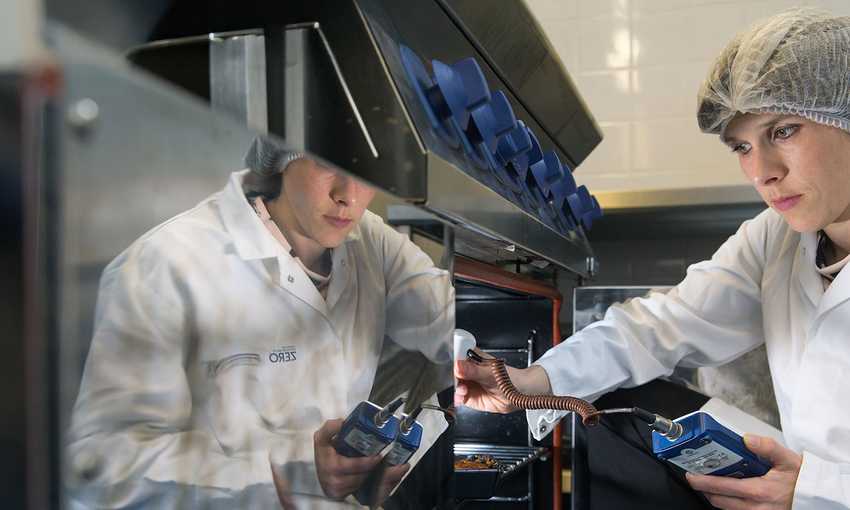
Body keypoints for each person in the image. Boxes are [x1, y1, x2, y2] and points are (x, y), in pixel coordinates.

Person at [455, 8, 850, 510]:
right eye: (742, 146)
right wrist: (529, 384)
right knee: (626, 409)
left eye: (783, 131)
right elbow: (659, 327)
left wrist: (819, 491)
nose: (762, 172)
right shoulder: (776, 239)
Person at [66, 137, 454, 509]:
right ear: (282, 155)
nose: (347, 195)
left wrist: (502, 373)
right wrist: (286, 475)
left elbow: (445, 318)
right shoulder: (167, 264)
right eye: (327, 163)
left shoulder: (369, 240)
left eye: (371, 171)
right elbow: (102, 467)